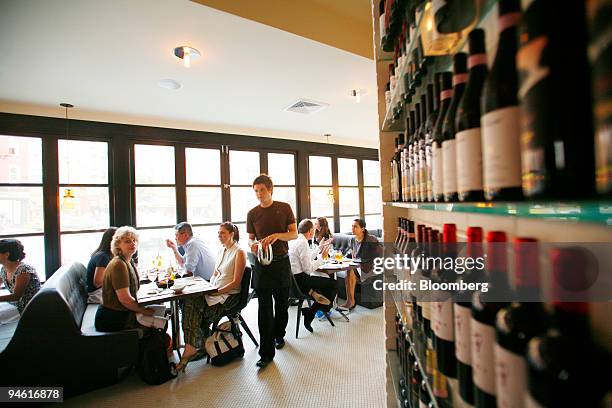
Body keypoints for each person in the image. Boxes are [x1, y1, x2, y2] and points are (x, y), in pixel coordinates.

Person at [175, 222, 246, 373]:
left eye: (223, 233)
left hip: (229, 295)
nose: (219, 236)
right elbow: (215, 274)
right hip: (215, 290)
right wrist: (207, 288)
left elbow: (236, 282)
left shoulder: (239, 252)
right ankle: (193, 345)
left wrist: (217, 291)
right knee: (189, 301)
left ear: (232, 234)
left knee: (192, 306)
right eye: (218, 233)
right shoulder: (221, 251)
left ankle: (192, 346)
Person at [247, 174, 297, 369]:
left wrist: (277, 235)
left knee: (282, 305)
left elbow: (294, 233)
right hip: (262, 266)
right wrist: (252, 245)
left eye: (262, 190)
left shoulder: (284, 208)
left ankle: (279, 335)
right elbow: (250, 239)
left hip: (282, 264)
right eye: (256, 191)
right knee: (264, 310)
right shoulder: (252, 213)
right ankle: (266, 353)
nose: (259, 194)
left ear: (270, 190)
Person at [95, 226, 156, 332]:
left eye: (134, 240)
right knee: (159, 323)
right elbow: (125, 299)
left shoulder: (129, 260)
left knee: (159, 312)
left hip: (121, 312)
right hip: (112, 318)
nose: (133, 244)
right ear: (118, 245)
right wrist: (144, 310)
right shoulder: (118, 264)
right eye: (128, 241)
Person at [289, 219, 338, 333]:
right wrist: (322, 258)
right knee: (333, 284)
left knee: (326, 288)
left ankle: (312, 309)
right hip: (301, 282)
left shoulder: (297, 240)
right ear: (310, 231)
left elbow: (306, 259)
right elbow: (308, 269)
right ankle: (311, 312)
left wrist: (318, 248)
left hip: (294, 282)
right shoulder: (303, 243)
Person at [339, 219, 382, 310]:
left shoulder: (371, 239)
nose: (353, 228)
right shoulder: (353, 240)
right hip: (358, 267)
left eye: (355, 226)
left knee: (350, 270)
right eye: (352, 226)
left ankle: (350, 302)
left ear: (362, 229)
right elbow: (351, 254)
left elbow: (380, 256)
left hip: (371, 268)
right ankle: (350, 301)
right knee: (349, 270)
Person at [0, 239, 41, 315]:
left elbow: (16, 296)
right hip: (17, 305)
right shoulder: (4, 268)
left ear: (7, 254)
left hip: (30, 308)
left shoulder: (24, 270)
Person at [86, 227, 117, 304]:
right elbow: (98, 283)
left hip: (102, 291)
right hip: (97, 294)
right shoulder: (103, 256)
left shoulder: (108, 254)